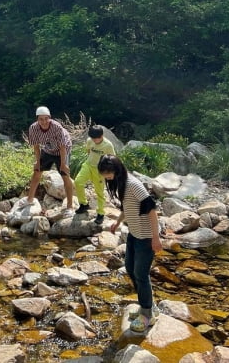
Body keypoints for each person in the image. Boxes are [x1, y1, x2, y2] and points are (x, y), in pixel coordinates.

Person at [97, 154, 162, 332]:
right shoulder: (121, 183)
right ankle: (148, 306)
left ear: (116, 170)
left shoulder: (133, 184)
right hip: (135, 233)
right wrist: (118, 222)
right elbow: (127, 206)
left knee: (141, 274)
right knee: (130, 268)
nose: (107, 177)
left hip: (147, 236)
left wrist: (156, 238)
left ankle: (147, 315)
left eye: (108, 174)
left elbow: (152, 209)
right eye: (104, 174)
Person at [26, 106, 74, 216]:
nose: (44, 122)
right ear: (37, 119)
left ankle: (70, 206)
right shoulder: (33, 128)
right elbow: (36, 147)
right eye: (40, 119)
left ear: (50, 118)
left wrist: (63, 164)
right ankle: (29, 200)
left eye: (46, 118)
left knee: (65, 175)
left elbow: (62, 147)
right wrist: (37, 162)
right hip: (48, 150)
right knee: (37, 171)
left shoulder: (56, 127)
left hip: (63, 150)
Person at [74, 125, 115, 224]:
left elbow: (113, 159)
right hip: (88, 165)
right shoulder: (89, 141)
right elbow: (88, 151)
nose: (96, 141)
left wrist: (110, 173)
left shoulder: (108, 145)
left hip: (100, 171)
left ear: (102, 135)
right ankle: (84, 204)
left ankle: (101, 213)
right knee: (78, 182)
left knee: (99, 192)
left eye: (98, 138)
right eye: (94, 139)